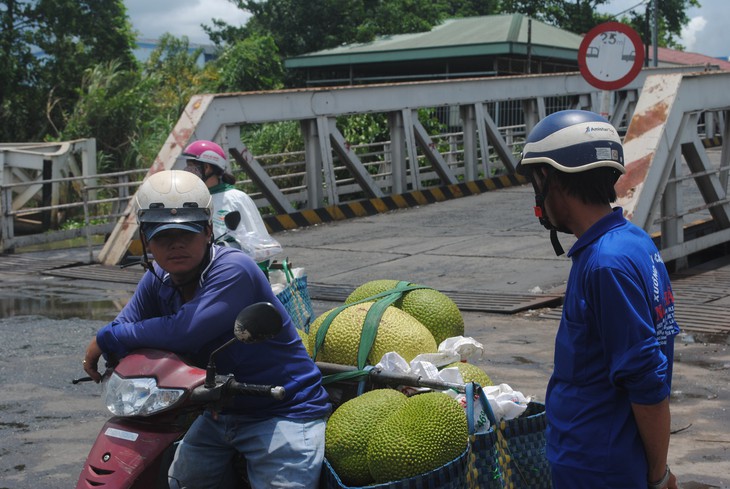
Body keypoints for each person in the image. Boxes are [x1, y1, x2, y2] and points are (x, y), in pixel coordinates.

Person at [82, 170, 330, 489]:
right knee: (182, 482)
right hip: (218, 413)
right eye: (162, 236)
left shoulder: (233, 269)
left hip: (283, 409)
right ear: (146, 240)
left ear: (208, 231)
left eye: (187, 233)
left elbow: (185, 330)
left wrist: (105, 338)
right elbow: (126, 324)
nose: (175, 245)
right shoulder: (158, 279)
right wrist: (113, 342)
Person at [516, 110, 680, 489]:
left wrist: (659, 476)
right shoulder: (632, 242)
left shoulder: (605, 266)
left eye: (536, 180)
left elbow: (646, 382)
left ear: (552, 179)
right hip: (603, 458)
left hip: (597, 467)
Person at [181, 139, 283, 263]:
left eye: (191, 165)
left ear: (207, 167)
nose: (187, 170)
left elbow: (258, 245)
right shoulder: (189, 199)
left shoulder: (236, 199)